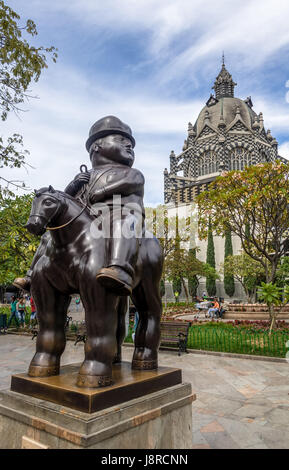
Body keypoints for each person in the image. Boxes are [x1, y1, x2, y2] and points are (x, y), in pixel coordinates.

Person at [13, 116, 144, 297]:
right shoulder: (85, 177)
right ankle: (31, 275)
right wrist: (74, 186)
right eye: (122, 140)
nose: (129, 145)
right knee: (48, 237)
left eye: (130, 143)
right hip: (89, 219)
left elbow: (132, 183)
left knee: (121, 224)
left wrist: (103, 191)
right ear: (96, 147)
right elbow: (66, 201)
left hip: (119, 213)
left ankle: (119, 267)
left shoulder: (131, 173)